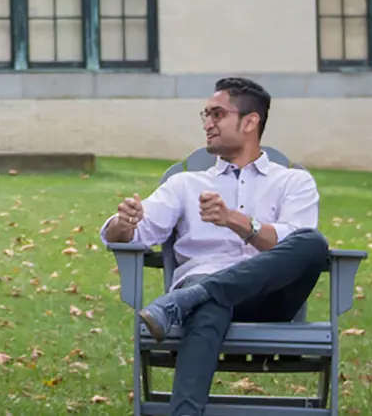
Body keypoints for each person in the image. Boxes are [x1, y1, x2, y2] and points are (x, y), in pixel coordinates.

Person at [99, 77, 330, 416]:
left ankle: (183, 300)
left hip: (270, 299)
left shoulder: (293, 181)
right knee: (210, 301)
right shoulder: (185, 184)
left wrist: (235, 221)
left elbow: (298, 241)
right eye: (205, 115)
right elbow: (130, 235)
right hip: (205, 295)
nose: (207, 123)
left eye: (217, 114)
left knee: (312, 243)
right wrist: (124, 222)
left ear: (250, 122)